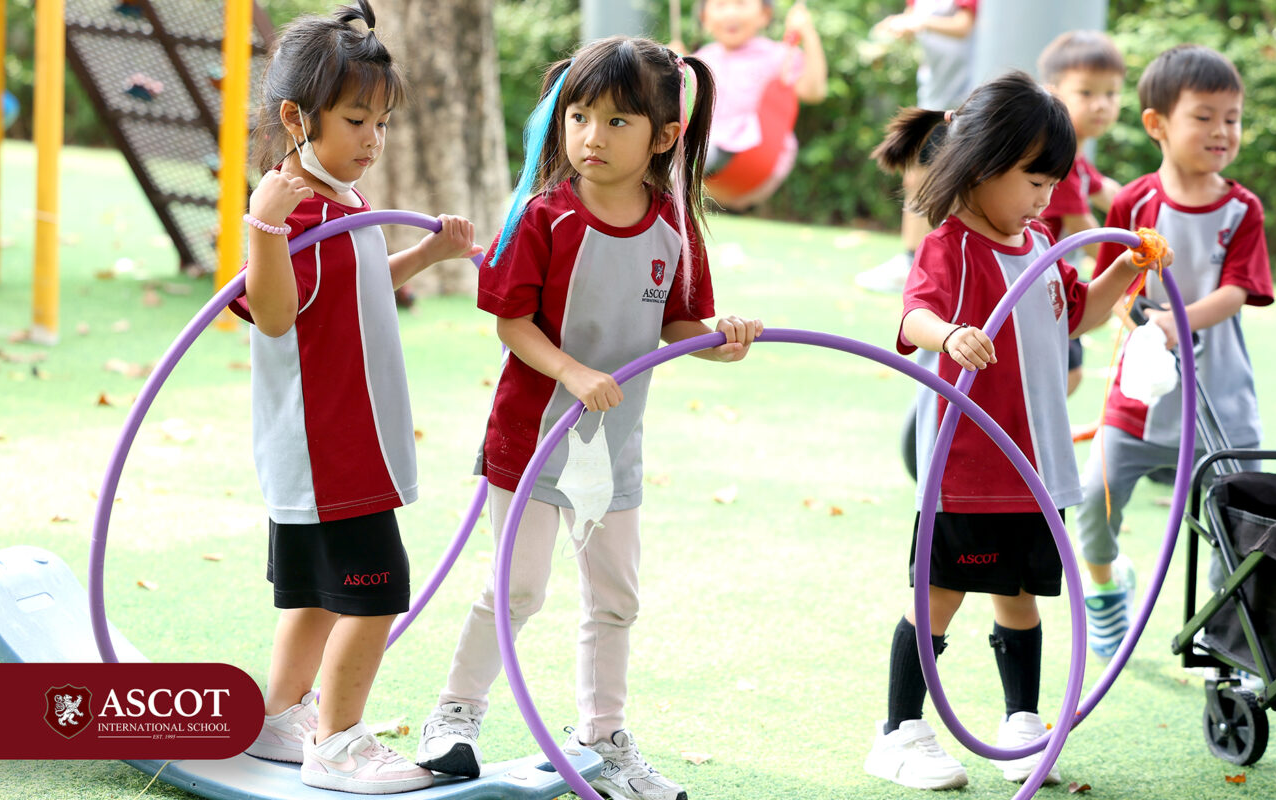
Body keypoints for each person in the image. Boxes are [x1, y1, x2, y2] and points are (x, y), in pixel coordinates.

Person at [416, 36, 762, 800]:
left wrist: (719, 340)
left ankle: (603, 735)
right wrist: (572, 373)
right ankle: (454, 716)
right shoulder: (546, 216)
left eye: (615, 122)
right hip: (532, 440)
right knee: (517, 590)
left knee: (615, 598)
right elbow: (512, 322)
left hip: (613, 450)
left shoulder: (672, 226)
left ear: (664, 137)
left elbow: (679, 325)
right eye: (579, 117)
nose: (591, 138)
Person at [862, 71, 1170, 791]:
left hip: (1037, 467)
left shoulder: (1038, 244)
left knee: (1021, 596)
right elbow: (912, 316)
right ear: (981, 167)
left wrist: (1125, 267)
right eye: (1034, 181)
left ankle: (1022, 723)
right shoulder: (951, 245)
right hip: (968, 467)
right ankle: (900, 731)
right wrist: (952, 334)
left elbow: (1079, 316)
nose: (1044, 198)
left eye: (1052, 183)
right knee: (938, 595)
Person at [232, 0, 482, 793]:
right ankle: (336, 742)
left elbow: (353, 284)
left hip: (340, 440)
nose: (372, 141)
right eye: (354, 121)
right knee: (376, 595)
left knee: (315, 597)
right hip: (330, 444)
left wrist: (429, 254)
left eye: (380, 123)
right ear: (296, 119)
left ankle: (280, 719)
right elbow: (274, 314)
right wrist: (262, 231)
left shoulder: (339, 199)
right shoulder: (293, 208)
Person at [1074, 44, 1272, 659]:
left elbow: (1237, 290)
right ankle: (1106, 588)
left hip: (1219, 404)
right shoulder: (1134, 203)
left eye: (1232, 118)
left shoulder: (1241, 209)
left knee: (1237, 527)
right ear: (1158, 123)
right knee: (1093, 506)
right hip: (1137, 397)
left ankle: (1225, 633)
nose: (1222, 131)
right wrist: (1130, 321)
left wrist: (1171, 323)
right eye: (1205, 116)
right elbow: (1112, 286)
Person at [855, 0, 979, 294]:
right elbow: (915, 23)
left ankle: (915, 264)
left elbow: (964, 26)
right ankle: (914, 263)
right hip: (934, 99)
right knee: (918, 178)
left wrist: (918, 23)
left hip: (961, 102)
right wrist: (900, 26)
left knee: (925, 180)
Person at [1038, 30, 1127, 397]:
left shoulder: (1077, 156)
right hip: (1035, 279)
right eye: (1086, 93)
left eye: (1111, 93)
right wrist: (1130, 259)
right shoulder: (1055, 157)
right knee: (1063, 370)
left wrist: (1154, 209)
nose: (1101, 105)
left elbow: (1113, 195)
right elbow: (1082, 228)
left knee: (1068, 372)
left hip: (1053, 278)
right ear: (1054, 92)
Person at [689, 0, 827, 210]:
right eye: (720, 5)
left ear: (764, 14)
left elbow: (814, 92)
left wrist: (808, 35)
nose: (730, 12)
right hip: (708, 147)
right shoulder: (699, 60)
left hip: (753, 152)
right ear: (704, 18)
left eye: (740, 3)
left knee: (689, 156)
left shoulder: (778, 56)